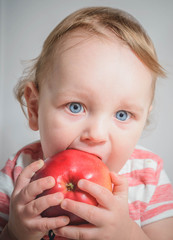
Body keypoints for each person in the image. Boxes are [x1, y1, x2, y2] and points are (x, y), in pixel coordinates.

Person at [0, 6, 173, 240]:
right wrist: (14, 233)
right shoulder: (17, 176)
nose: (97, 134)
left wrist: (128, 234)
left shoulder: (148, 178)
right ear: (34, 108)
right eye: (75, 107)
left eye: (122, 114)